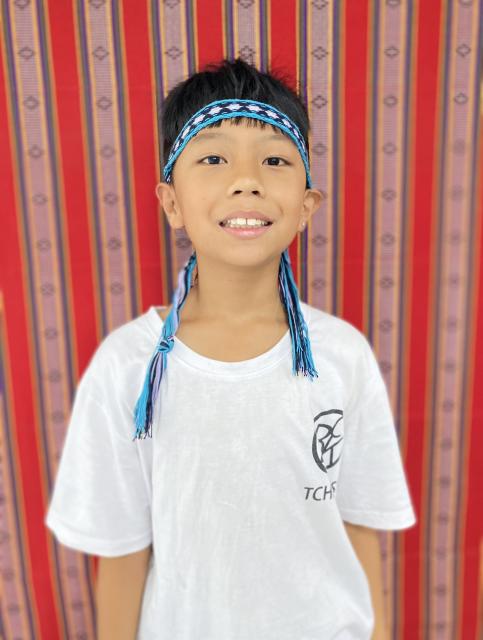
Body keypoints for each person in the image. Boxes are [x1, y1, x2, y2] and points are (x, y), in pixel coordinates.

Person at [45, 57, 416, 640]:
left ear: (307, 206)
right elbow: (121, 554)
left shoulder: (343, 356)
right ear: (171, 202)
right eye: (214, 159)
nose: (247, 181)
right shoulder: (127, 368)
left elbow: (359, 525)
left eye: (274, 160)